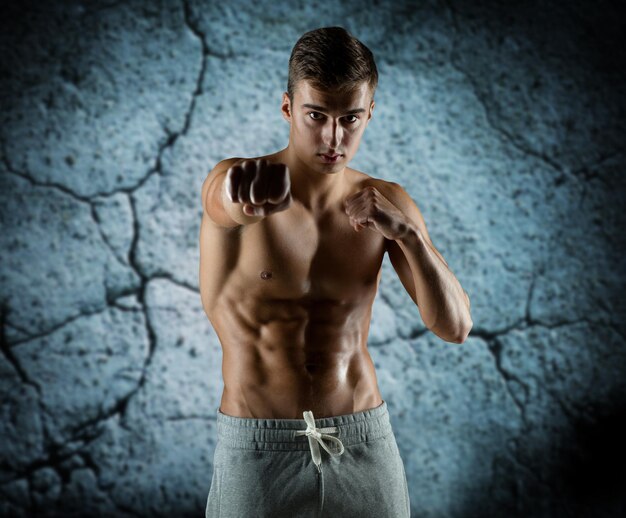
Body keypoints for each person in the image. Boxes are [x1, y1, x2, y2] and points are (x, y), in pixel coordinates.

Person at [199, 26, 472, 518]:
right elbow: (222, 200)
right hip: (261, 450)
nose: (332, 138)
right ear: (287, 108)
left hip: (363, 439)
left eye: (350, 118)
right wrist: (238, 196)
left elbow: (454, 327)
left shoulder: (388, 202)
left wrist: (407, 233)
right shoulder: (239, 179)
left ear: (370, 113)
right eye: (315, 115)